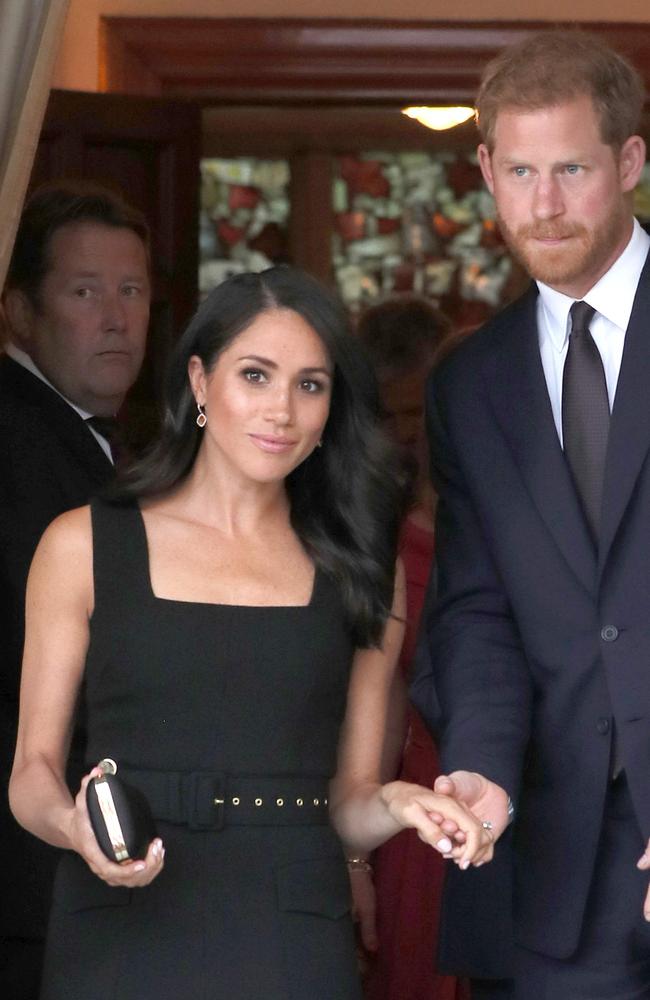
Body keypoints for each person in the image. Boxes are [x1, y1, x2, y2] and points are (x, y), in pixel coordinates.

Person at [9, 267, 493, 1000]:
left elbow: (349, 804)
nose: (282, 411)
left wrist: (397, 803)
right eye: (256, 375)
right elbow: (30, 775)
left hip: (291, 923)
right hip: (119, 911)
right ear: (200, 382)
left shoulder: (361, 563)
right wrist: (75, 828)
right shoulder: (81, 546)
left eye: (310, 385)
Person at [411, 28, 650, 999]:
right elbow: (472, 609)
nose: (541, 204)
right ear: (483, 170)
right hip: (552, 863)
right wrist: (477, 763)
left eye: (569, 169)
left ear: (629, 160)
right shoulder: (468, 382)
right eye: (517, 170)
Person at [0, 181, 151, 998]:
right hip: (27, 856)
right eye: (85, 291)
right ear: (20, 312)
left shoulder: (98, 442)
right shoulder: (17, 437)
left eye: (131, 290)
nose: (117, 317)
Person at [352, 295, 468, 1000]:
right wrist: (356, 863)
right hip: (414, 820)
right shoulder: (378, 540)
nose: (403, 435)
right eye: (388, 417)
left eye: (415, 416)